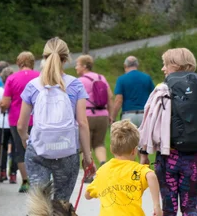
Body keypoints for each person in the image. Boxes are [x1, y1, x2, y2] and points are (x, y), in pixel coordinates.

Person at [140, 48, 197, 216]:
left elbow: (149, 122)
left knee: (169, 210)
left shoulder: (162, 89)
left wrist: (144, 152)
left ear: (175, 65)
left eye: (165, 64)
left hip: (168, 158)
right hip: (196, 158)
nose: (162, 68)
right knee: (190, 206)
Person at [17, 37, 94, 201]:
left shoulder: (33, 85)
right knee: (61, 205)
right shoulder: (75, 85)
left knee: (40, 205)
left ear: (44, 57)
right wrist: (87, 157)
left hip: (38, 150)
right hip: (67, 150)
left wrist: (26, 140)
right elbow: (82, 123)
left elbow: (20, 125)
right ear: (66, 59)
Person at [1, 52, 39, 192]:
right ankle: (40, 179)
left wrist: (2, 107)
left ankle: (25, 181)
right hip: (37, 118)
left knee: (20, 149)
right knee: (39, 148)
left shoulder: (11, 78)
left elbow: (5, 102)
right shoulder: (40, 76)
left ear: (18, 63)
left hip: (17, 119)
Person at [75, 54, 113, 182]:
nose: (76, 67)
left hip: (87, 115)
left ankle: (89, 174)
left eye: (78, 64)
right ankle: (103, 165)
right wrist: (111, 115)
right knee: (99, 143)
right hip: (102, 115)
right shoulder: (101, 77)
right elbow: (110, 97)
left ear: (84, 66)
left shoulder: (80, 81)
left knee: (85, 145)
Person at [111, 56, 155, 128]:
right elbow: (153, 96)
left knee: (128, 139)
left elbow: (118, 100)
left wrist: (113, 117)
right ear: (137, 65)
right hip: (144, 115)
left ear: (125, 66)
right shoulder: (147, 78)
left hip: (128, 115)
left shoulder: (121, 79)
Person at [0, 65, 16, 183]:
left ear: (2, 79)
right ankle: (13, 174)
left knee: (1, 147)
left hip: (2, 123)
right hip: (15, 122)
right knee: (15, 148)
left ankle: (2, 172)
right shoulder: (17, 90)